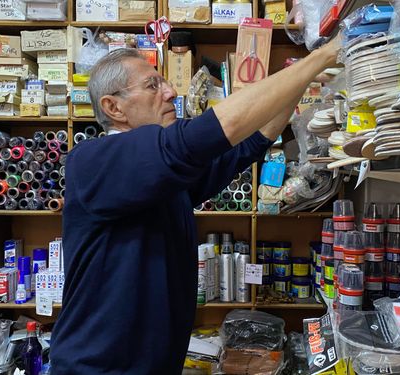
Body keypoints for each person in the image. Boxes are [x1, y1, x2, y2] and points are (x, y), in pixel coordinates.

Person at [49, 39, 340, 374]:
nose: (171, 92)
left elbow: (250, 141)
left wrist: (300, 77)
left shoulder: (162, 177)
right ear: (114, 108)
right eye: (152, 85)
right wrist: (322, 55)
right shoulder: (94, 161)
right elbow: (220, 128)